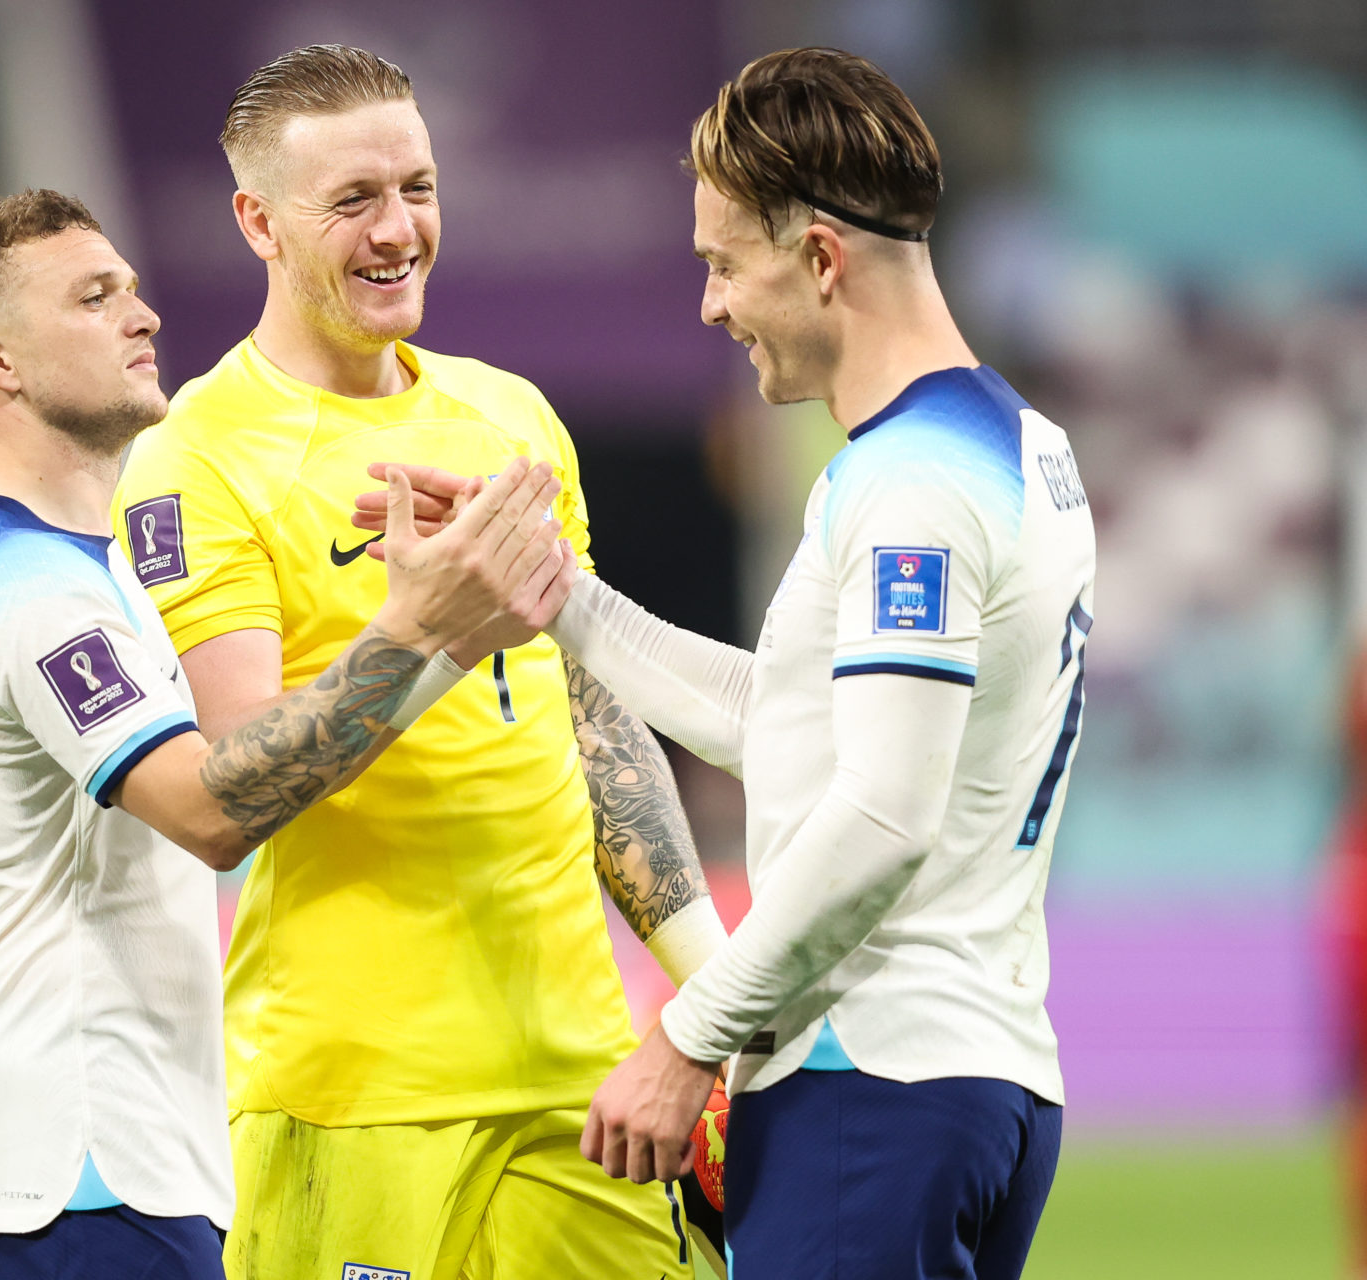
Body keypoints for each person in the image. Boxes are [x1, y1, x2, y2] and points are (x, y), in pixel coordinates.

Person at [372, 46, 1094, 1280]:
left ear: (819, 258)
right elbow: (796, 720)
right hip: (977, 1073)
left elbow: (880, 812)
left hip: (874, 1081)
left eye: (722, 263)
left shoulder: (907, 487)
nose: (709, 304)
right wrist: (549, 584)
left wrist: (688, 1038)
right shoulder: (1020, 447)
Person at [111, 44, 717, 1280]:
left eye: (419, 188)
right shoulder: (198, 457)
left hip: (581, 1082)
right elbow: (232, 786)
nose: (399, 231)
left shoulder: (513, 418)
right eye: (354, 201)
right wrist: (426, 629)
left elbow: (590, 724)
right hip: (356, 1094)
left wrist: (716, 992)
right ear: (258, 222)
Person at [0, 189, 571, 1280]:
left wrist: (434, 639)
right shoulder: (27, 593)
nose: (144, 313)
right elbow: (212, 810)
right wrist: (421, 629)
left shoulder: (88, 564)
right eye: (94, 295)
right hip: (75, 1160)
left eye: (131, 284)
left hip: (124, 1154)